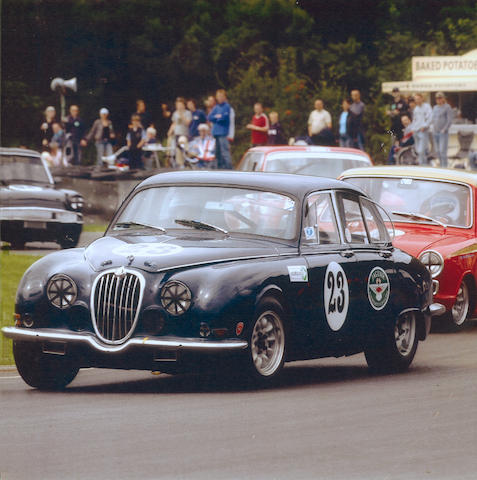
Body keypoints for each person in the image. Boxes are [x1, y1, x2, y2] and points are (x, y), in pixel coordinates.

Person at [207, 89, 232, 169]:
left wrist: (217, 118)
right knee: (217, 153)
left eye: (221, 96)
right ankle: (219, 167)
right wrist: (217, 117)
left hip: (223, 132)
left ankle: (229, 168)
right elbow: (209, 117)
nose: (220, 98)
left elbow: (224, 117)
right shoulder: (216, 107)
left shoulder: (227, 106)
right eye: (218, 96)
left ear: (224, 97)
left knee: (225, 151)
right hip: (216, 133)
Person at [431, 92, 454, 168]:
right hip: (435, 132)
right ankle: (441, 166)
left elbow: (449, 120)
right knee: (437, 151)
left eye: (440, 98)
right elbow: (433, 119)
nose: (439, 99)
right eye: (437, 98)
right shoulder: (434, 108)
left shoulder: (447, 107)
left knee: (442, 151)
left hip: (443, 133)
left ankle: (445, 167)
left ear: (444, 98)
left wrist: (444, 129)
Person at [168, 97, 192, 166]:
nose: (179, 106)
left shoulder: (188, 113)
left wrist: (181, 115)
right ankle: (179, 163)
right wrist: (170, 131)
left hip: (184, 134)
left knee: (184, 149)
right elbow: (174, 123)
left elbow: (188, 123)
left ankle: (186, 162)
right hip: (177, 133)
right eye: (178, 105)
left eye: (180, 105)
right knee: (177, 149)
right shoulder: (175, 113)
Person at [411, 93, 432, 165]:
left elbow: (430, 118)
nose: (417, 100)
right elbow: (414, 120)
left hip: (423, 131)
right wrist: (412, 128)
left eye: (418, 99)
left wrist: (425, 126)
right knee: (418, 150)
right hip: (416, 131)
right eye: (415, 99)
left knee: (421, 150)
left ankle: (423, 165)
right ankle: (422, 164)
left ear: (422, 98)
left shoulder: (427, 107)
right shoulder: (416, 109)